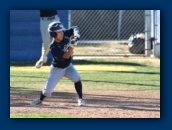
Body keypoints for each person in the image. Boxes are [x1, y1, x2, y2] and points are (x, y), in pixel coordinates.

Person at [31, 21, 86, 106]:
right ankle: (40, 100)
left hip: (68, 66)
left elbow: (75, 28)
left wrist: (76, 36)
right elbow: (66, 56)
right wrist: (72, 46)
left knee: (77, 78)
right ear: (53, 34)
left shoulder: (64, 34)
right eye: (59, 32)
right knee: (47, 91)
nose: (62, 33)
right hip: (57, 69)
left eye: (61, 31)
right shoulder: (53, 47)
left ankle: (80, 99)